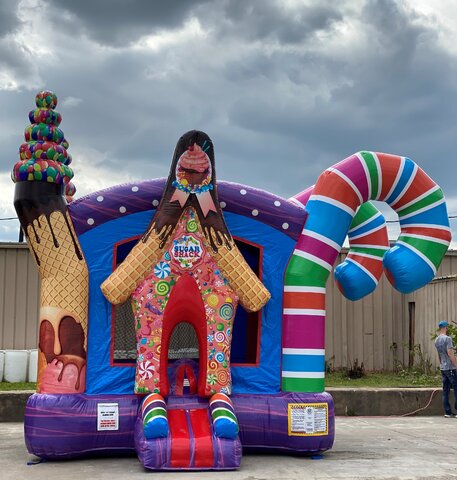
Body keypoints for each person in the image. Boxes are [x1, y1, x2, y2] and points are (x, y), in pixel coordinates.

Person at [435, 320, 457, 418]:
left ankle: (447, 412)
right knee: (456, 388)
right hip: (450, 368)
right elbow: (450, 353)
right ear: (446, 327)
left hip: (443, 368)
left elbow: (439, 355)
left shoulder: (437, 340)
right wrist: (456, 365)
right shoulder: (447, 339)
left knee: (446, 390)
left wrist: (441, 364)